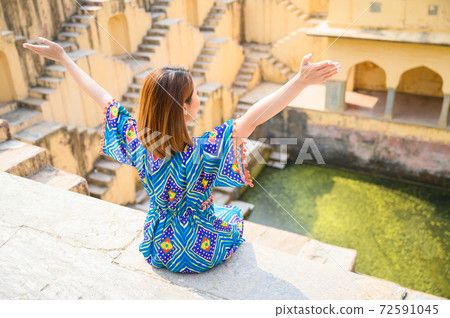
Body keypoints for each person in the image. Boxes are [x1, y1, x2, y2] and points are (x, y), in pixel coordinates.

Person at [23, 37, 340, 273]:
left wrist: (64, 57)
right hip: (204, 248)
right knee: (231, 218)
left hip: (160, 246)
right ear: (185, 108)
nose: (200, 99)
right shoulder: (205, 150)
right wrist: (299, 80)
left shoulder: (138, 141)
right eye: (195, 95)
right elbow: (255, 116)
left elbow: (103, 98)